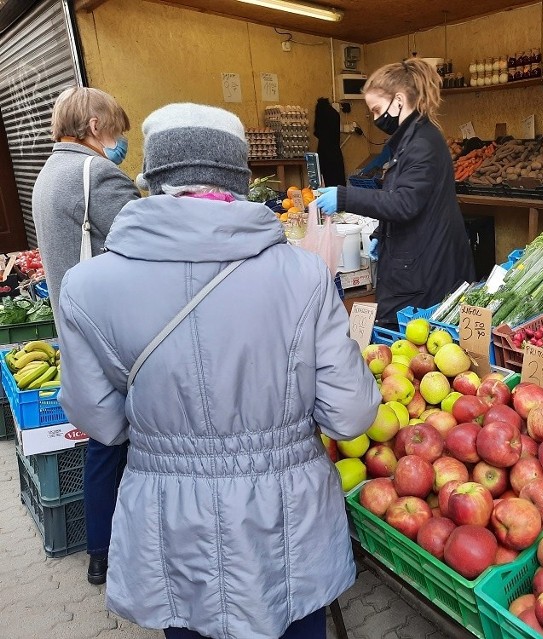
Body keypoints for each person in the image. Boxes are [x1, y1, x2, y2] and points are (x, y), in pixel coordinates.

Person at [55, 102, 381, 639]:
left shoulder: (88, 286)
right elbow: (349, 414)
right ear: (240, 177)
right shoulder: (304, 274)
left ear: (152, 177)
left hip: (171, 525)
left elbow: (103, 423)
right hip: (287, 525)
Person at [31, 86, 140, 586]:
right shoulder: (95, 172)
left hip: (73, 325)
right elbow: (142, 241)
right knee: (122, 441)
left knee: (102, 438)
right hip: (110, 331)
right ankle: (126, 548)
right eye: (116, 130)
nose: (119, 142)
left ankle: (101, 551)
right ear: (96, 127)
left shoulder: (48, 173)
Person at [314, 58, 475, 327]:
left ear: (399, 100)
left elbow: (405, 202)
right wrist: (381, 234)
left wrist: (344, 197)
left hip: (425, 268)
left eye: (377, 110)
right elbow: (404, 196)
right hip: (415, 258)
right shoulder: (410, 140)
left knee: (407, 338)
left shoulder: (422, 143)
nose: (376, 119)